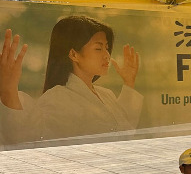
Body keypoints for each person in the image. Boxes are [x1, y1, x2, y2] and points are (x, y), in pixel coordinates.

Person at [0, 17, 142, 144]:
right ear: (74, 54)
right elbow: (29, 137)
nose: (107, 55)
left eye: (107, 48)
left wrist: (129, 83)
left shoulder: (106, 94)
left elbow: (125, 132)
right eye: (98, 48)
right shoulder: (57, 98)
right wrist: (9, 91)